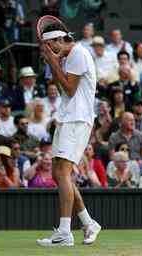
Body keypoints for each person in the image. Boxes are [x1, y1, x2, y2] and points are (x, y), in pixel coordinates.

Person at [36, 19, 101, 247]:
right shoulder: (67, 56)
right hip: (67, 118)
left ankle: (65, 232)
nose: (50, 49)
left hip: (77, 119)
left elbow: (71, 90)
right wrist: (54, 61)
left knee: (63, 173)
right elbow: (62, 85)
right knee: (58, 174)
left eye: (50, 45)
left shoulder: (78, 54)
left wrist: (53, 60)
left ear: (58, 40)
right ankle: (88, 222)